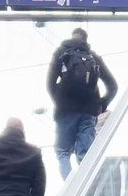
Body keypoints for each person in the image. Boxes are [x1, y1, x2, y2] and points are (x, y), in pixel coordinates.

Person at [48, 27, 118, 178]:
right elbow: (113, 86)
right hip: (89, 109)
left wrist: (60, 101)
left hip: (65, 109)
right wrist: (101, 105)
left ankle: (69, 188)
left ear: (71, 37)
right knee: (85, 154)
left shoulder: (60, 52)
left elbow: (49, 84)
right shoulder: (93, 57)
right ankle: (87, 189)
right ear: (86, 40)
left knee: (63, 152)